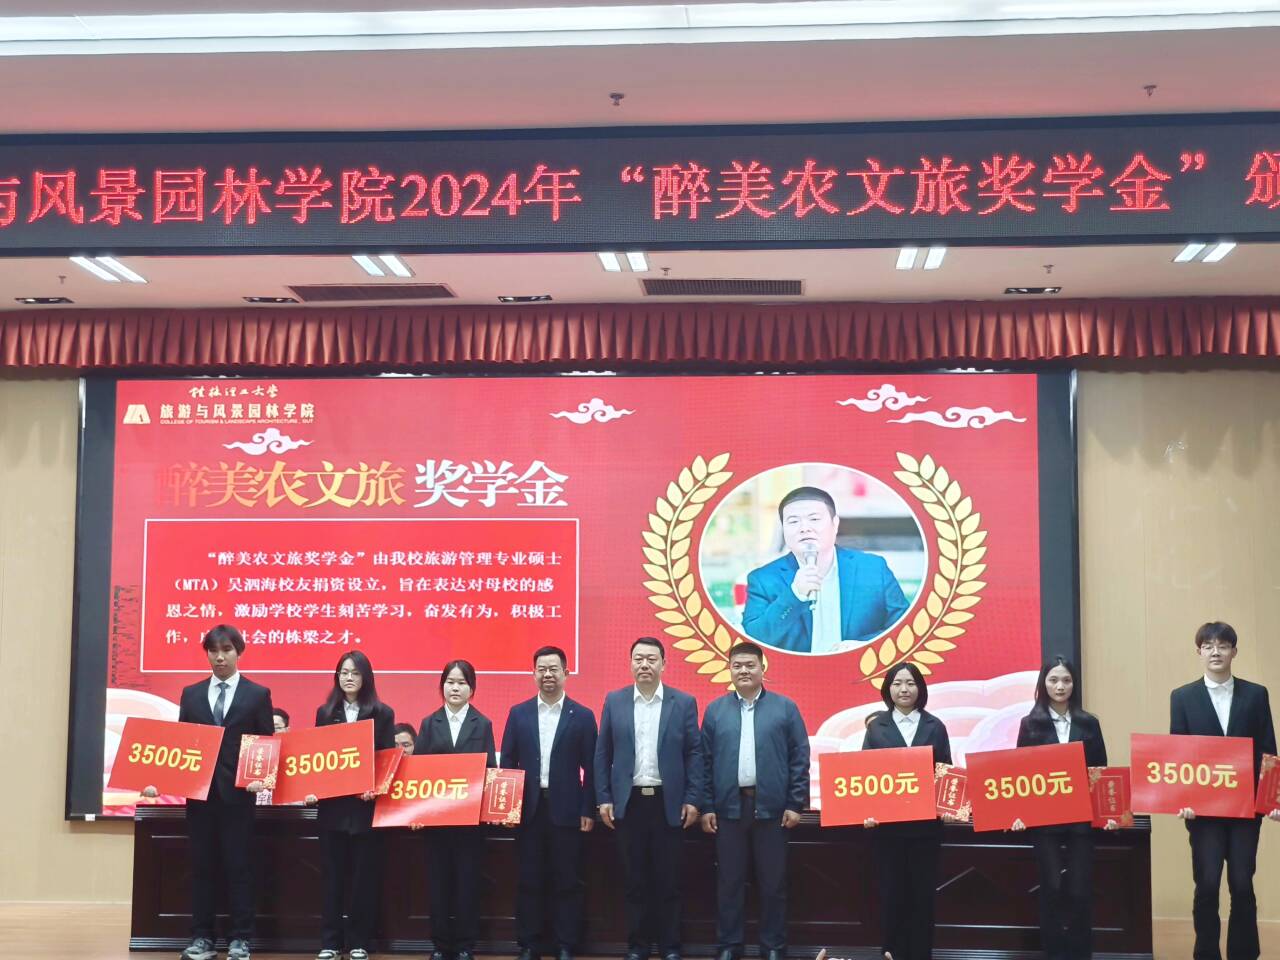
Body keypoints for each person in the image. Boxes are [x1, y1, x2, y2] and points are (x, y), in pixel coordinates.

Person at [1170, 622, 1280, 960]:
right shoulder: (1182, 697)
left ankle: (1243, 954)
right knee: (1206, 885)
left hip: (1245, 809)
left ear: (1234, 651)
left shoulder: (1256, 694)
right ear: (1199, 652)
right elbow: (1177, 755)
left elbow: (1268, 749)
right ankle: (1206, 953)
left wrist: (1272, 800)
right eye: (1208, 646)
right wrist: (1183, 801)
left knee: (1242, 884)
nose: (1215, 652)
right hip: (1203, 812)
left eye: (1222, 645)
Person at [164, 624, 274, 960]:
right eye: (213, 651)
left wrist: (262, 777)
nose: (220, 657)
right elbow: (182, 745)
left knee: (239, 868)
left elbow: (266, 742)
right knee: (202, 869)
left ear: (238, 652)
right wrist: (161, 779)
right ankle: (202, 938)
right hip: (200, 797)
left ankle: (241, 938)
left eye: (226, 650)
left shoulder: (257, 694)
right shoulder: (191, 694)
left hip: (238, 797)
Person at [595, 637, 703, 960]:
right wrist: (604, 797)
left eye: (651, 659)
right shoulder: (615, 700)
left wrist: (693, 798)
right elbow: (603, 753)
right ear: (630, 664)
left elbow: (694, 754)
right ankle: (637, 947)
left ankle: (670, 947)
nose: (644, 664)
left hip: (668, 804)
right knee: (634, 882)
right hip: (629, 804)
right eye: (638, 659)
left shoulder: (683, 702)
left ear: (664, 665)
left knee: (669, 882)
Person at [700, 641, 809, 960]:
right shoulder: (715, 710)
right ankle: (728, 946)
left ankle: (773, 946)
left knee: (773, 884)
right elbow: (704, 762)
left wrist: (795, 803)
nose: (744, 671)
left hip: (773, 810)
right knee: (729, 883)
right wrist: (707, 806)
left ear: (763, 668)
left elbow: (799, 757)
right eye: (737, 665)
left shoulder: (785, 708)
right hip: (729, 810)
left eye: (750, 665)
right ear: (729, 670)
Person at [1011, 656, 1113, 960]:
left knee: (1080, 890)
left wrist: (1109, 814)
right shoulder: (1030, 724)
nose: (1060, 686)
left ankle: (1081, 954)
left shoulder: (1089, 723)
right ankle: (1054, 953)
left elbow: (1100, 771)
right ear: (1043, 683)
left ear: (1074, 684)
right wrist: (1017, 814)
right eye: (1054, 680)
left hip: (1081, 822)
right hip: (1044, 823)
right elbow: (1019, 775)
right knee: (1052, 888)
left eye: (1066, 680)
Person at [500, 646, 598, 960]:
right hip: (529, 810)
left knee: (567, 880)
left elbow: (592, 768)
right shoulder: (519, 713)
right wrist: (507, 808)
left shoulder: (582, 716)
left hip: (567, 811)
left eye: (553, 669)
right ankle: (529, 944)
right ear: (534, 674)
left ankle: (565, 944)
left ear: (566, 673)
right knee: (529, 879)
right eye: (541, 669)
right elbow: (508, 763)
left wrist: (588, 809)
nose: (547, 675)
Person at [742, 486, 909, 654]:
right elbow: (755, 641)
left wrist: (864, 646)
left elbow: (904, 628)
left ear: (835, 524)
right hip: (797, 670)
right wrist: (794, 595)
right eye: (793, 521)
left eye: (814, 519)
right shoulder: (763, 579)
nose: (804, 528)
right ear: (783, 529)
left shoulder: (873, 568)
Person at [861, 662, 952, 960]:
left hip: (926, 830)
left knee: (923, 899)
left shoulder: (935, 726)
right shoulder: (877, 727)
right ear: (888, 688)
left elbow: (945, 771)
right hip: (888, 831)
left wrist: (950, 806)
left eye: (910, 683)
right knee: (891, 898)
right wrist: (866, 812)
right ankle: (892, 955)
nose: (904, 689)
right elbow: (864, 775)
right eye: (898, 683)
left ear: (920, 689)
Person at [310, 651, 396, 960]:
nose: (348, 678)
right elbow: (316, 757)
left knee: (363, 880)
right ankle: (330, 942)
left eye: (355, 673)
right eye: (344, 673)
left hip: (365, 809)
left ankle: (360, 941)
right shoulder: (325, 713)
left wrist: (376, 787)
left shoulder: (382, 713)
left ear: (366, 678)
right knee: (332, 879)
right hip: (332, 810)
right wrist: (311, 787)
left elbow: (387, 758)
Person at [415, 660, 498, 960]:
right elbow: (417, 772)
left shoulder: (483, 723)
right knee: (438, 886)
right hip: (436, 823)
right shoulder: (429, 723)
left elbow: (490, 770)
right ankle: (440, 945)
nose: (455, 688)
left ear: (471, 689)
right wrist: (416, 813)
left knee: (467, 885)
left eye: (462, 683)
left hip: (470, 823)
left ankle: (465, 946)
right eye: (450, 682)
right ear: (442, 686)